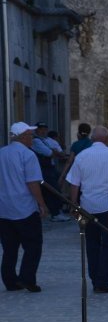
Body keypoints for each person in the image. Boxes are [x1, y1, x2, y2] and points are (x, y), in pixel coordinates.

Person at [66, 126, 108, 293]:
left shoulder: (81, 156)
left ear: (92, 140)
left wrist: (74, 205)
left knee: (92, 244)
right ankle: (104, 280)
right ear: (107, 140)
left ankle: (95, 279)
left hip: (88, 207)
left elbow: (74, 184)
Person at [0, 122, 48, 292]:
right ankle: (27, 278)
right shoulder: (28, 155)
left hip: (4, 209)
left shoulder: (2, 153)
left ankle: (10, 280)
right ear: (22, 136)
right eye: (29, 136)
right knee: (33, 245)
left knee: (9, 248)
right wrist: (41, 204)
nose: (32, 139)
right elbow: (33, 182)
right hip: (24, 207)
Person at [32, 122, 70, 221]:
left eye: (45, 129)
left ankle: (56, 210)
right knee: (52, 190)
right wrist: (53, 151)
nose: (43, 131)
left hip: (51, 168)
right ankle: (55, 213)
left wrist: (54, 151)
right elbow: (49, 153)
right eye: (41, 129)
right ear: (36, 130)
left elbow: (61, 153)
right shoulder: (36, 141)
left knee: (56, 188)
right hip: (43, 169)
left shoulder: (47, 140)